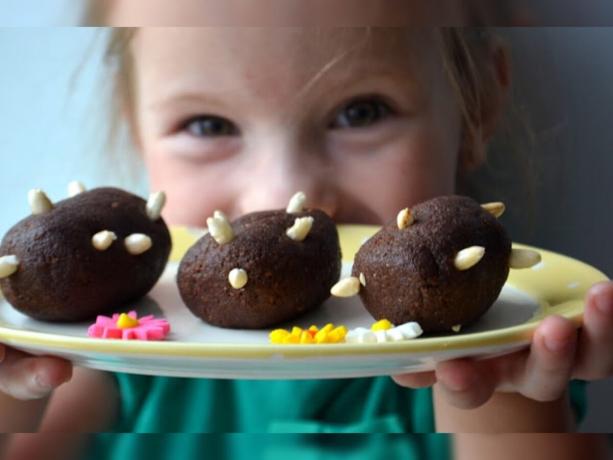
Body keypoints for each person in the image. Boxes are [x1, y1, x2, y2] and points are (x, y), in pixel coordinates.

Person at [1, 5, 612, 460]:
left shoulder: (506, 348)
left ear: (476, 107)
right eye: (209, 124)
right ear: (139, 131)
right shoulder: (117, 357)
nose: (281, 194)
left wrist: (493, 388)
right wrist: (13, 392)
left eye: (361, 113)